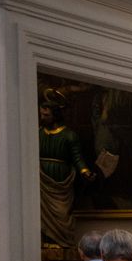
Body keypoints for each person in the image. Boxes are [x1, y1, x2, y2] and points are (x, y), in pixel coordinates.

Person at [38, 89, 98, 249]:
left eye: (46, 115)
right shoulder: (38, 133)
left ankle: (62, 243)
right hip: (42, 179)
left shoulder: (69, 136)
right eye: (41, 115)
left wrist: (85, 172)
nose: (43, 118)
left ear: (56, 115)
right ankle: (46, 244)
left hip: (61, 180)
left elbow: (77, 157)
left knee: (62, 213)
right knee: (42, 215)